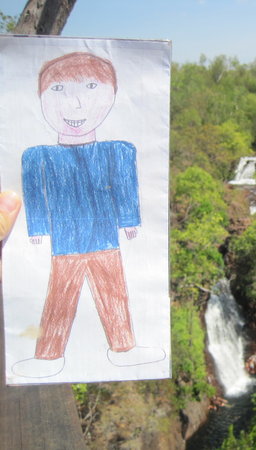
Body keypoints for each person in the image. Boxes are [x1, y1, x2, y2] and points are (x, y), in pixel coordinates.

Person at [13, 52, 164, 378]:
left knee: (114, 293)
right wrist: (37, 226)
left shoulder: (117, 151)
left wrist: (129, 220)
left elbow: (126, 187)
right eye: (59, 90)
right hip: (65, 240)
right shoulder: (38, 156)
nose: (76, 104)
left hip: (105, 237)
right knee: (59, 298)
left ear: (111, 95)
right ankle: (48, 356)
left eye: (91, 87)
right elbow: (34, 193)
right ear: (40, 97)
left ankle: (124, 347)